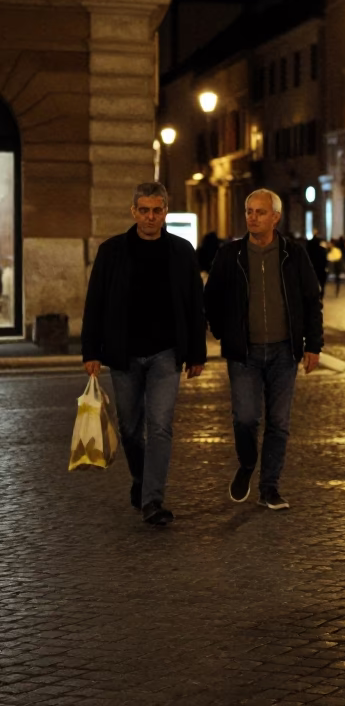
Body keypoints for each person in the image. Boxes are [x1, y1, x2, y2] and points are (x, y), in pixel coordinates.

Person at [81, 182, 206, 526]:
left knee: (161, 426)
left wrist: (196, 353)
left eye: (157, 210)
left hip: (167, 353)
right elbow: (95, 304)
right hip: (124, 354)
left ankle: (153, 499)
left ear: (166, 212)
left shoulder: (181, 251)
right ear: (133, 211)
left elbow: (195, 305)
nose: (151, 217)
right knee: (131, 429)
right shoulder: (112, 252)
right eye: (145, 210)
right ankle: (140, 480)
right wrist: (90, 350)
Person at [203, 189, 324, 511]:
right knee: (245, 419)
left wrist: (313, 345)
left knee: (279, 423)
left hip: (284, 352)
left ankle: (269, 487)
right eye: (248, 211)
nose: (252, 217)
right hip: (244, 353)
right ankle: (246, 464)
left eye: (259, 212)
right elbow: (211, 298)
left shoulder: (293, 254)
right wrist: (222, 333)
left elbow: (312, 300)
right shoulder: (231, 255)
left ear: (275, 217)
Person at [306, 233, 328, 297]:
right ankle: (320, 296)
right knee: (321, 284)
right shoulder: (322, 250)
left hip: (312, 270)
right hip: (321, 270)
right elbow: (325, 261)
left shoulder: (308, 251)